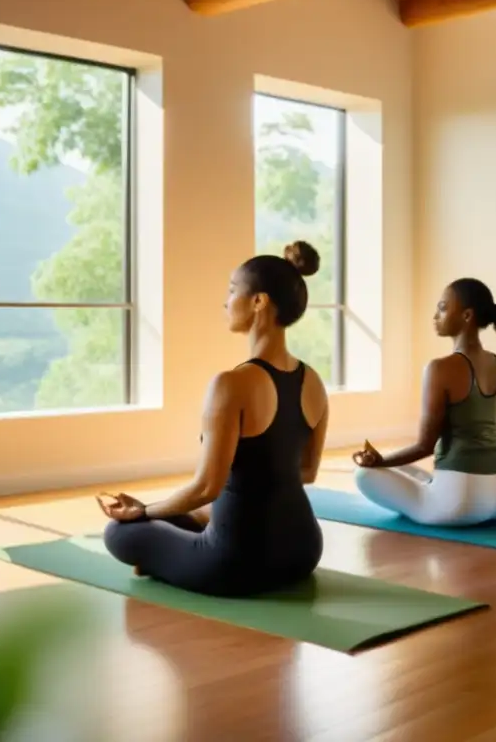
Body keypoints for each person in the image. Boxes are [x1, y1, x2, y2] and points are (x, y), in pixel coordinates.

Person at [97, 241, 329, 597]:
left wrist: (144, 511)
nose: (226, 301)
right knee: (174, 516)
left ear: (258, 302)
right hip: (303, 551)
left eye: (233, 290)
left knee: (119, 532)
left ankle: (167, 558)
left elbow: (207, 487)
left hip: (237, 563)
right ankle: (175, 544)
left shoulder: (231, 384)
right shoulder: (313, 381)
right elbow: (306, 472)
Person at [353, 278, 496, 526]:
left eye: (443, 308)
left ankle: (434, 493)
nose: (436, 315)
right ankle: (438, 487)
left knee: (364, 475)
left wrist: (379, 462)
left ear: (467, 315)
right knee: (408, 473)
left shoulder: (439, 368)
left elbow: (425, 445)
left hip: (461, 502)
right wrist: (386, 461)